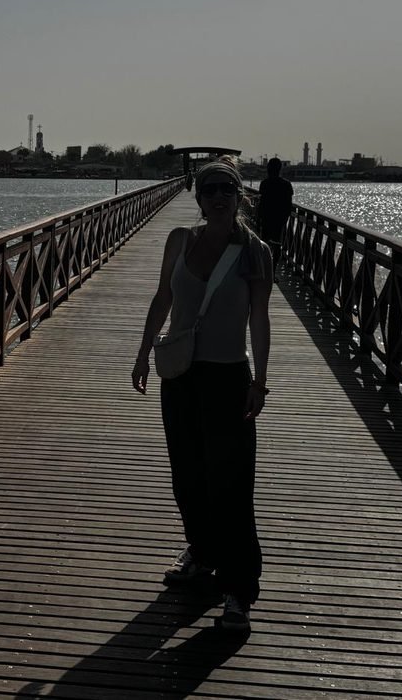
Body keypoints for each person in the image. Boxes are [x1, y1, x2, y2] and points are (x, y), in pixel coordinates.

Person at [131, 156, 273, 634]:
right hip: (181, 373)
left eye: (226, 191)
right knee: (187, 475)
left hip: (228, 375)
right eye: (209, 189)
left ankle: (238, 590)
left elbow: (259, 318)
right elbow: (161, 298)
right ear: (198, 196)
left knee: (231, 484)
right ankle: (202, 554)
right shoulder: (180, 240)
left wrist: (259, 380)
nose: (217, 198)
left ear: (239, 198)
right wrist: (142, 352)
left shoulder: (255, 252)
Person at [256, 157, 293, 278]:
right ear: (280, 169)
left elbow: (261, 203)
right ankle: (272, 271)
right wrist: (285, 218)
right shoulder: (287, 185)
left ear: (268, 169)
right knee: (277, 244)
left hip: (266, 218)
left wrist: (258, 218)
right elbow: (289, 205)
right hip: (279, 219)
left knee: (264, 244)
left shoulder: (264, 184)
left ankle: (264, 271)